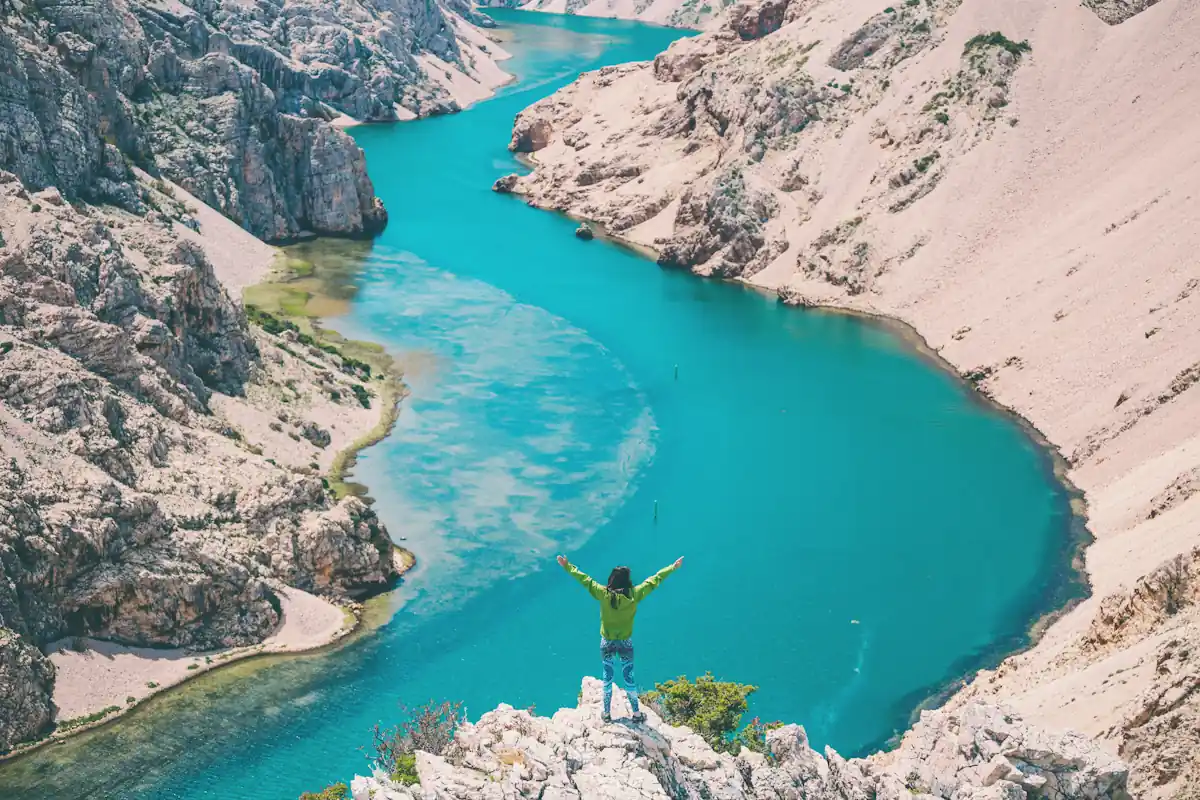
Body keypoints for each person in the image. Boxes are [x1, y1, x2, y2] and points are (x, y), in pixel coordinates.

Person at [556, 554, 684, 723]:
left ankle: (607, 715)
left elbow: (585, 580)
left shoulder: (603, 594)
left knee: (607, 677)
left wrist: (567, 565)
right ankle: (637, 714)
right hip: (625, 642)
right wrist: (672, 567)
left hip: (607, 642)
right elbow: (654, 580)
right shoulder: (634, 595)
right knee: (629, 678)